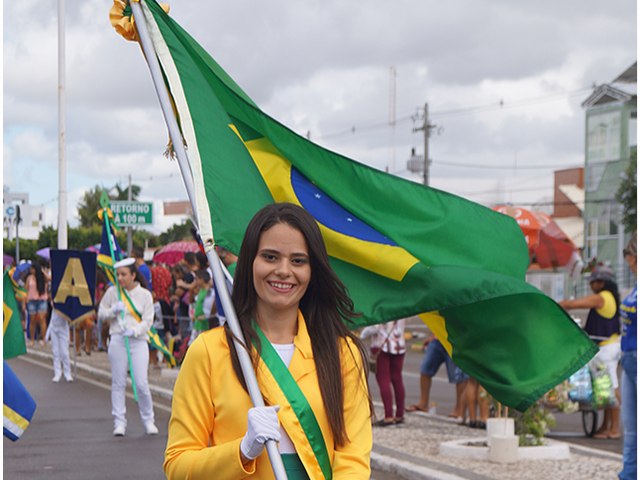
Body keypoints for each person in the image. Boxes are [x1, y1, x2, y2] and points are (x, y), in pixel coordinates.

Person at [164, 203, 372, 479]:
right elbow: (178, 466)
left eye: (298, 260)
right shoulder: (209, 352)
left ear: (313, 270)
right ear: (249, 262)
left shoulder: (343, 353)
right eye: (270, 257)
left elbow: (353, 461)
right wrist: (241, 450)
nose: (284, 270)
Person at [97, 258, 158, 437]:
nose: (120, 278)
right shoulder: (112, 292)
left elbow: (148, 320)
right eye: (118, 274)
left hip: (138, 342)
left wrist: (135, 330)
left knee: (141, 383)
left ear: (133, 275)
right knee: (118, 382)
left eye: (124, 274)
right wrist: (113, 311)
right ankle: (119, 422)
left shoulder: (145, 295)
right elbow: (100, 314)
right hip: (117, 339)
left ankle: (148, 420)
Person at [559, 265, 621, 439]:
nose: (591, 286)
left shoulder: (602, 298)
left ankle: (615, 428)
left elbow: (575, 304)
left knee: (612, 386)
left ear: (601, 283)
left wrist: (561, 304)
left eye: (593, 282)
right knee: (606, 388)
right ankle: (605, 426)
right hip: (606, 346)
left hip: (608, 348)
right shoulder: (608, 297)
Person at [406, 334, 468, 418]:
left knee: (459, 377)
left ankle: (459, 409)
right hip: (438, 339)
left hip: (454, 341)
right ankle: (423, 403)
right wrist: (432, 335)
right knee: (425, 369)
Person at [361, 319, 406, 426]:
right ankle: (399, 414)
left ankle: (389, 415)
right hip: (399, 344)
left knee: (383, 380)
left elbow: (374, 327)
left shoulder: (382, 305)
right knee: (397, 379)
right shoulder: (401, 304)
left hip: (382, 345)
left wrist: (362, 334)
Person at [619, 233, 636, 480]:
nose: (628, 263)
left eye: (630, 256)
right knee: (631, 430)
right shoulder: (634, 288)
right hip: (628, 359)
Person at [25, 262, 49, 346]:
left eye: (32, 269)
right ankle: (32, 339)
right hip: (32, 300)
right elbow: (26, 289)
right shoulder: (29, 278)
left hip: (42, 300)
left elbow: (50, 278)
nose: (31, 270)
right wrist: (25, 301)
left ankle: (44, 339)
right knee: (32, 321)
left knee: (42, 320)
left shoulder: (43, 278)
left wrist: (42, 271)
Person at [46, 309, 73, 383]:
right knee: (56, 352)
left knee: (65, 352)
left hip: (63, 328)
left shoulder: (66, 305)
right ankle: (57, 373)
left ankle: (67, 373)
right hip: (54, 327)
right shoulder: (54, 302)